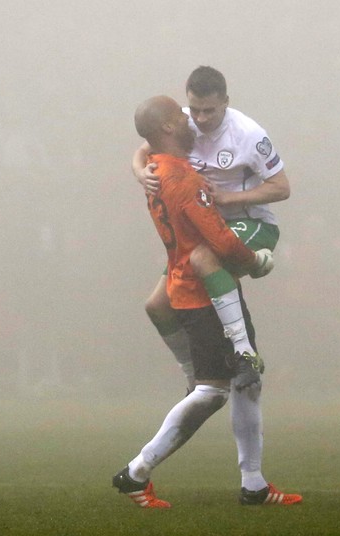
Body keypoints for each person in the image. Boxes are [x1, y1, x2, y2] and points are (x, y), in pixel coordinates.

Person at [112, 95, 301, 508]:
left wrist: (137, 168)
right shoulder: (184, 180)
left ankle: (253, 484)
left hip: (189, 286)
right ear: (166, 128)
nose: (188, 119)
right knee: (213, 391)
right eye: (180, 115)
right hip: (204, 293)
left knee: (246, 384)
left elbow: (146, 149)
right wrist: (258, 261)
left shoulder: (156, 171)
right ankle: (136, 472)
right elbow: (219, 244)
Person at [132, 66, 290, 390]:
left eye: (210, 111)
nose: (200, 119)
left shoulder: (248, 134)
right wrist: (138, 171)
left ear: (226, 103)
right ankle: (192, 372)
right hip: (205, 226)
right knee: (157, 306)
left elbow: (281, 187)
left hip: (249, 222)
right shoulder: (182, 121)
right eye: (195, 109)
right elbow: (145, 146)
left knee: (205, 259)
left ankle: (244, 354)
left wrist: (232, 198)